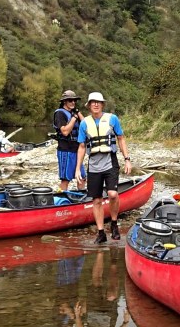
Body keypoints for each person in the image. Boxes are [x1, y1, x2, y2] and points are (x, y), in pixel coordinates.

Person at [76, 92, 132, 243]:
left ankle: (114, 223)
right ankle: (101, 233)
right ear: (89, 105)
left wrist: (127, 159)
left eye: (98, 102)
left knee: (112, 194)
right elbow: (82, 147)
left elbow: (121, 138)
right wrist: (77, 169)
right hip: (94, 164)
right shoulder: (84, 123)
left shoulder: (112, 119)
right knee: (97, 200)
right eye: (93, 102)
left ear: (102, 104)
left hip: (110, 161)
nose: (96, 104)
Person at [53, 90, 85, 192]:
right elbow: (65, 132)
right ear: (64, 102)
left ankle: (82, 197)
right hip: (65, 149)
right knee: (65, 179)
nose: (73, 102)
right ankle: (61, 198)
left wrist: (78, 113)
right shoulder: (59, 113)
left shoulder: (74, 112)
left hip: (77, 149)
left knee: (82, 177)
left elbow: (85, 124)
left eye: (74, 100)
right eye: (70, 100)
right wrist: (74, 118)